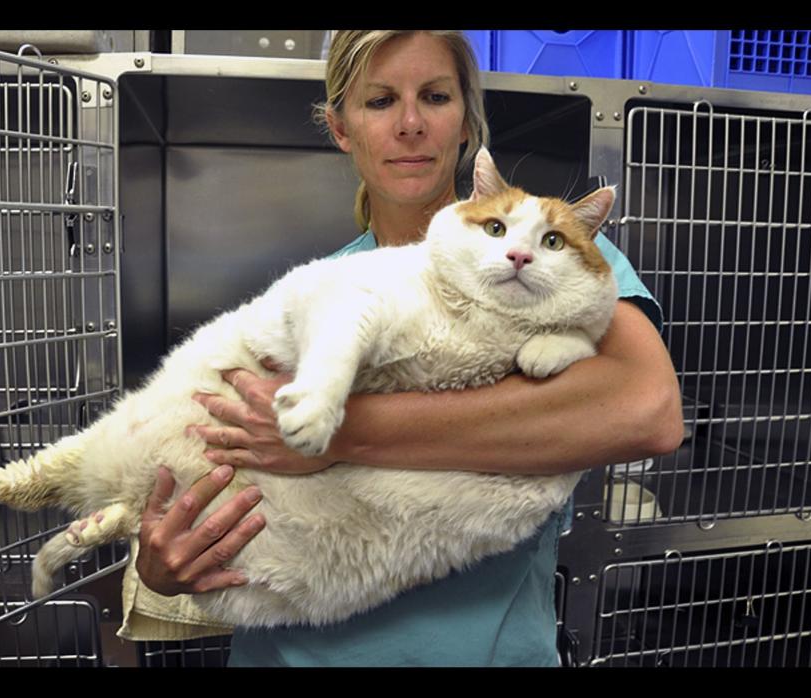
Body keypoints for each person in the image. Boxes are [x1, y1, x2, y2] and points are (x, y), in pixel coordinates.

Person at [135, 30, 684, 666]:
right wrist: (160, 566)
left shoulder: (553, 256)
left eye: (435, 96)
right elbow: (208, 455)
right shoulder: (321, 291)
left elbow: (647, 411)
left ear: (464, 123)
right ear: (342, 128)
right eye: (379, 102)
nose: (411, 124)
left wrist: (340, 434)